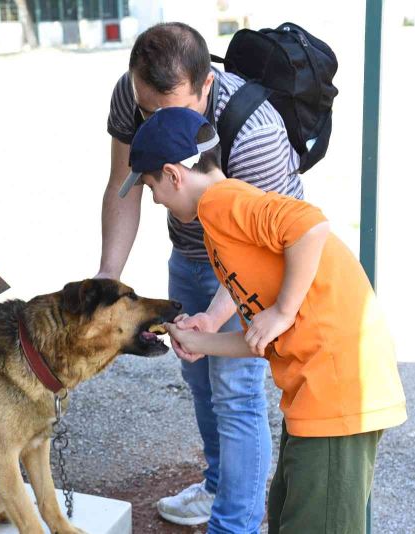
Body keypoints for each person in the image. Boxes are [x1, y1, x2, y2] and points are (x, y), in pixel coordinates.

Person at [125, 106, 408, 534]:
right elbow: (264, 337)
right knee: (288, 515)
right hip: (313, 390)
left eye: (151, 187)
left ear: (173, 174)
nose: (156, 199)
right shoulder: (219, 225)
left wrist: (283, 309)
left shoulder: (223, 201)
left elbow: (309, 225)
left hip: (338, 388)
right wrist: (202, 340)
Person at [99, 21, 302, 531]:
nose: (156, 129)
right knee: (196, 370)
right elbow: (122, 186)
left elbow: (276, 247)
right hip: (189, 251)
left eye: (172, 114)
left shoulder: (255, 133)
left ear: (206, 84)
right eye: (148, 112)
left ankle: (235, 522)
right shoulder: (134, 93)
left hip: (253, 263)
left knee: (235, 387)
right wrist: (108, 275)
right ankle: (218, 488)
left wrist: (215, 315)